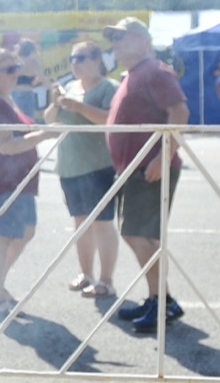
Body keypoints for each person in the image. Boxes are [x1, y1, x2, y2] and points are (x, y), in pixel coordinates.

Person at [103, 17, 189, 333]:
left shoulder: (155, 71)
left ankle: (161, 302)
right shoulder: (134, 74)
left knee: (137, 235)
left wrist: (162, 156)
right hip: (134, 169)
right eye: (113, 38)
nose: (116, 43)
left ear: (143, 39)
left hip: (148, 169)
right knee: (142, 236)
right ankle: (160, 299)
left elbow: (179, 113)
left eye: (123, 37)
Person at [0, 50, 49, 316]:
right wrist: (44, 134)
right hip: (5, 180)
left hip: (20, 180)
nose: (14, 73)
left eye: (16, 67)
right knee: (3, 236)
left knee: (26, 231)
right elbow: (4, 146)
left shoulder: (7, 99)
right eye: (8, 69)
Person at [46, 40, 118, 298]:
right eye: (73, 58)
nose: (76, 63)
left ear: (98, 60)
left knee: (102, 224)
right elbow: (48, 119)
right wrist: (56, 103)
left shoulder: (109, 88)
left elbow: (110, 120)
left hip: (98, 166)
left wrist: (77, 106)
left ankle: (106, 280)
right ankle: (86, 273)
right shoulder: (70, 88)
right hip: (69, 167)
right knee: (80, 224)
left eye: (82, 57)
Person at [12, 38, 43, 117]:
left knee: (15, 118)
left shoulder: (15, 60)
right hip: (26, 92)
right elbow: (41, 77)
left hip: (14, 93)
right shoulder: (33, 61)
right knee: (27, 119)